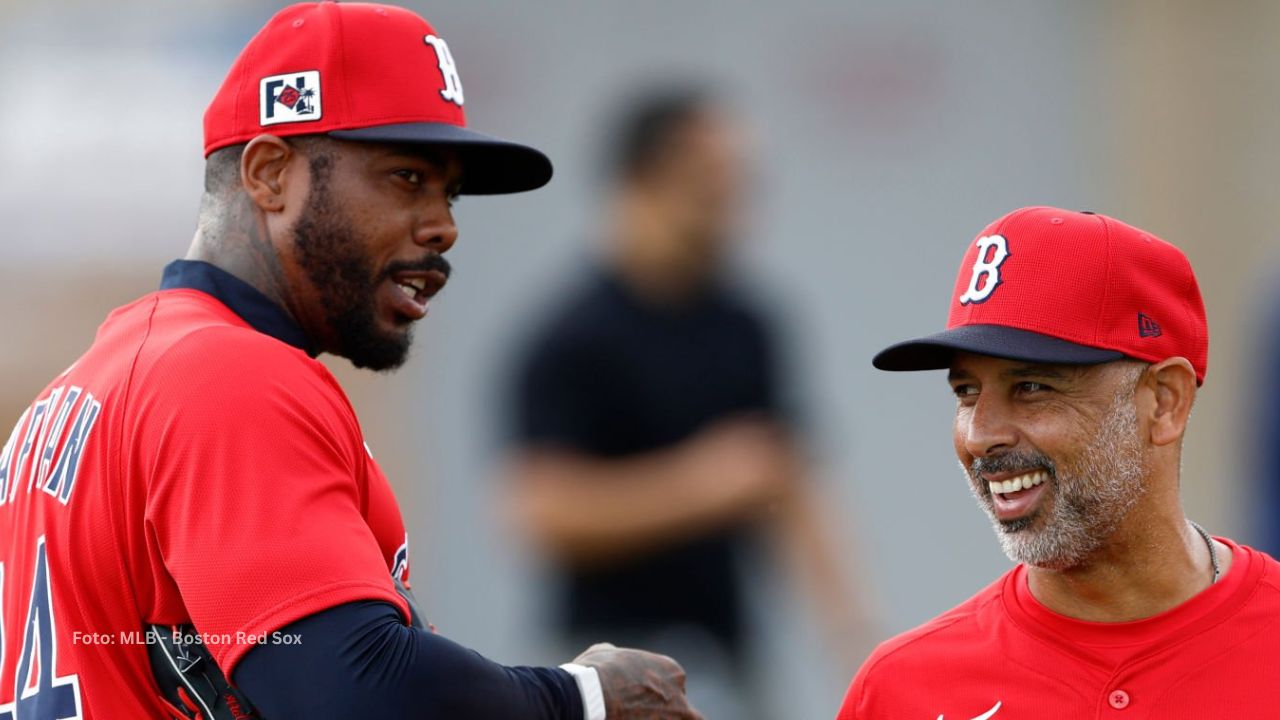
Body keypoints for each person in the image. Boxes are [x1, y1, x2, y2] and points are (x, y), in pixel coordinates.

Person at [0, 3, 702, 718]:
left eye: (449, 192)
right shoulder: (227, 375)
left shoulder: (80, 391)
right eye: (406, 177)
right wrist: (580, 698)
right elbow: (346, 688)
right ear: (270, 174)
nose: (444, 227)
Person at [505, 90, 871, 718]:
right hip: (606, 662)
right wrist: (701, 484)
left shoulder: (747, 324)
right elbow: (543, 511)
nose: (732, 206)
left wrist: (856, 642)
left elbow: (792, 486)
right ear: (639, 182)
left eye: (738, 184)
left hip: (725, 655)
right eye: (709, 183)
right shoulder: (570, 338)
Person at [837, 206, 1280, 719]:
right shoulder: (902, 689)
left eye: (1030, 387)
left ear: (1164, 402)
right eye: (966, 391)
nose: (981, 436)